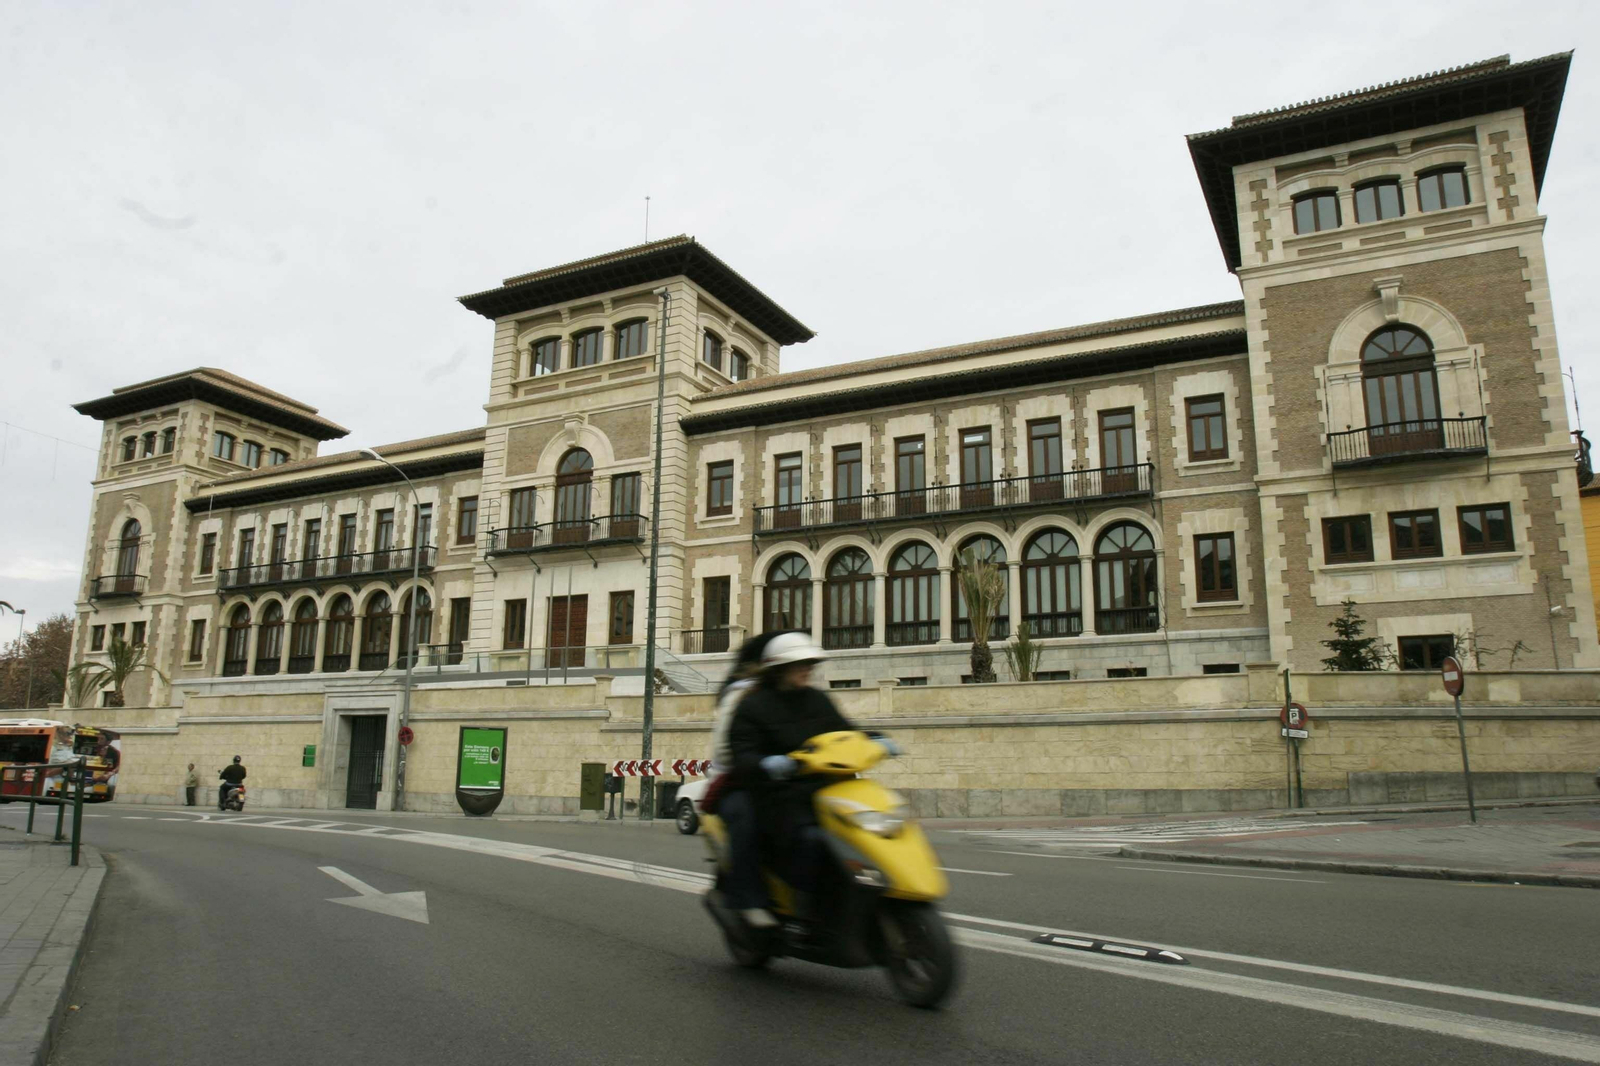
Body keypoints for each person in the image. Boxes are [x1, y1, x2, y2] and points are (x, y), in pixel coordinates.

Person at [723, 633, 855, 929]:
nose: (807, 669)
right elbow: (740, 753)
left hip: (816, 787)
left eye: (809, 664)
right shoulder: (752, 706)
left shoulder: (818, 700)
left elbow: (845, 732)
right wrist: (765, 763)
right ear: (779, 669)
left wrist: (876, 741)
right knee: (809, 838)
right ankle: (799, 901)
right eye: (799, 664)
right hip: (774, 792)